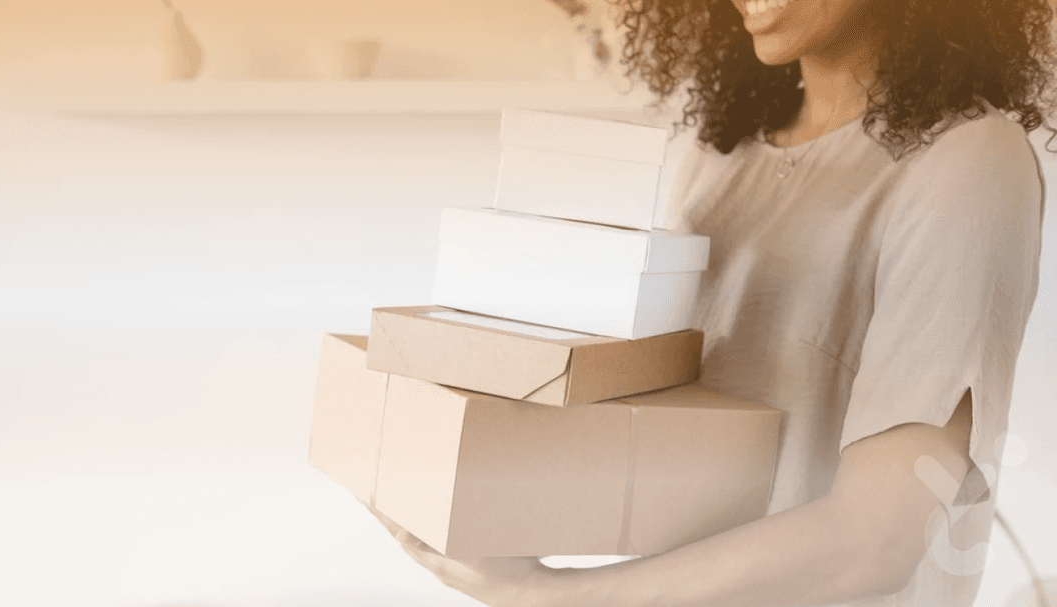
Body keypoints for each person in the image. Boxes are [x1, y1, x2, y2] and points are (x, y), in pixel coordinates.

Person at [368, 0, 1055, 604]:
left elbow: (876, 540)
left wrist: (554, 596)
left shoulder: (966, 164)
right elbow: (675, 441)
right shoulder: (718, 154)